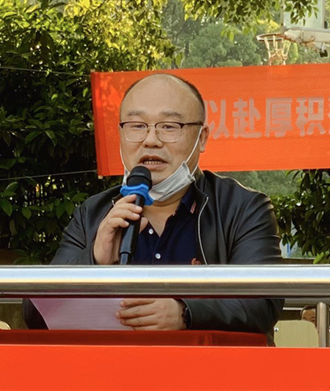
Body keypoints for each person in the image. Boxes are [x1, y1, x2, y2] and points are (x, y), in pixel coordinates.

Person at [24, 73, 283, 334]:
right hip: (115, 360)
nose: (151, 140)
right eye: (137, 126)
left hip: (209, 360)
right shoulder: (93, 214)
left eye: (169, 126)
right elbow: (35, 315)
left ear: (202, 137)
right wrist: (94, 258)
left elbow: (263, 303)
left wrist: (185, 313)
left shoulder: (243, 208)